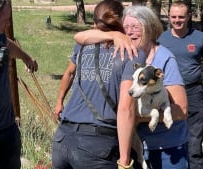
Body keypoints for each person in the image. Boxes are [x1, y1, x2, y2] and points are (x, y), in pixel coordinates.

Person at [75, 5, 189, 169]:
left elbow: (182, 109)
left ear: (149, 28)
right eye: (126, 27)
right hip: (133, 148)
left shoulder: (164, 59)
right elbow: (80, 36)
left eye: (136, 27)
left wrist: (137, 118)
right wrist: (113, 34)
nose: (129, 32)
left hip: (166, 149)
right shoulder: (125, 54)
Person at [51, 1, 146, 168]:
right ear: (122, 22)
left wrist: (59, 101)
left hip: (63, 140)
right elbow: (126, 109)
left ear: (94, 23)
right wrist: (124, 161)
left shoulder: (82, 45)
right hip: (97, 146)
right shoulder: (132, 54)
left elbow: (70, 70)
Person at [157, 1, 203, 168]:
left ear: (189, 17)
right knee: (169, 132)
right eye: (173, 17)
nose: (177, 20)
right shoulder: (161, 39)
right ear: (169, 17)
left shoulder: (200, 38)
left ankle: (195, 165)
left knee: (194, 137)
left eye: (181, 17)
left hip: (193, 92)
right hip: (167, 93)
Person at [0, 0, 38, 168]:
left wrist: (26, 57)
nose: (8, 23)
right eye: (5, 19)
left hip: (7, 128)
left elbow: (6, 43)